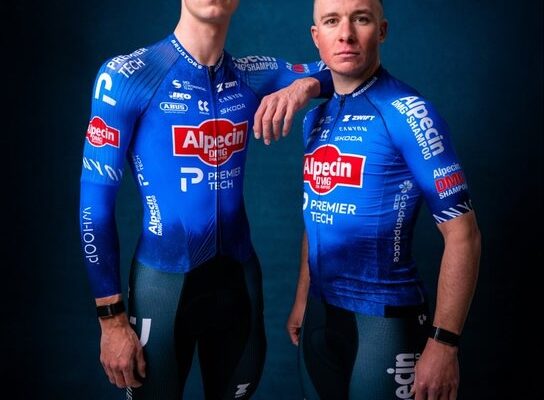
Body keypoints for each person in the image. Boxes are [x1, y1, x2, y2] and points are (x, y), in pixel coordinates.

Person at [79, 1, 332, 398]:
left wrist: (305, 86)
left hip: (238, 284)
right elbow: (94, 208)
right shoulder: (128, 76)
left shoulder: (253, 75)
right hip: (163, 288)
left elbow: (344, 67)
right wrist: (110, 321)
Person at [284, 0, 481, 399]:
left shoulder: (408, 113)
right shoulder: (315, 118)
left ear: (382, 30)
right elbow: (317, 212)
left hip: (385, 324)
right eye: (332, 21)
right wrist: (303, 297)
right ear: (316, 36)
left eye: (361, 19)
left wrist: (444, 343)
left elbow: (464, 235)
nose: (346, 34)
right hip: (320, 316)